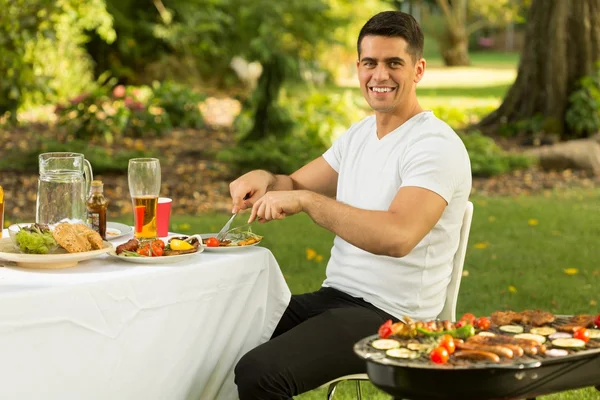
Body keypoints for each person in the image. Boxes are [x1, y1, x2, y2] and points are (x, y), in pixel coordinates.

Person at [231, 10, 472, 400]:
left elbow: (398, 236)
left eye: (394, 63)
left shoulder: (434, 146)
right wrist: (264, 179)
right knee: (217, 337)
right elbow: (292, 183)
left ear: (418, 69)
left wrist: (308, 202)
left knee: (260, 373)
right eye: (370, 63)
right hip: (337, 298)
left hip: (396, 316)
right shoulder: (360, 135)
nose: (380, 75)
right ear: (357, 67)